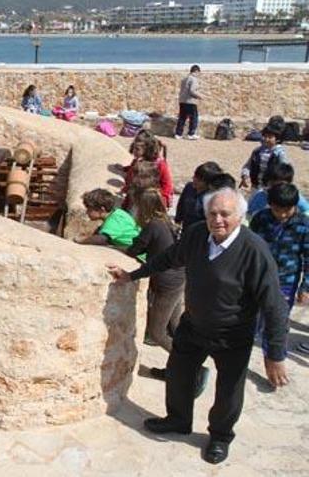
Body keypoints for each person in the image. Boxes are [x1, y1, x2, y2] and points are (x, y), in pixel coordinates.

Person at [107, 188, 289, 465]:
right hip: (193, 326)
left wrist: (275, 354)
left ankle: (220, 436)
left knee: (229, 391)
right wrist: (133, 275)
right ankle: (178, 420)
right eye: (212, 213)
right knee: (178, 375)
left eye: (225, 214)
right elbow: (169, 258)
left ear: (239, 216)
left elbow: (274, 305)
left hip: (232, 335)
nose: (217, 220)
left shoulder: (255, 251)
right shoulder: (196, 235)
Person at [124, 189, 196, 383]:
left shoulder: (153, 225)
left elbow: (135, 249)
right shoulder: (165, 221)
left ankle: (190, 367)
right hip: (179, 278)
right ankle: (183, 367)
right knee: (175, 326)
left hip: (167, 283)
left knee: (157, 332)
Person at [249, 183, 309, 355]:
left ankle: (274, 356)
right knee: (251, 319)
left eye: (286, 210)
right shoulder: (261, 219)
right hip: (257, 278)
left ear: (295, 206)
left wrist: (305, 287)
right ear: (270, 205)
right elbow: (248, 247)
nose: (282, 215)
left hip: (285, 283)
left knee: (277, 321)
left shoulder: (304, 225)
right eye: (277, 210)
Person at [75, 188, 140, 250]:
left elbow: (101, 239)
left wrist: (82, 241)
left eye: (89, 209)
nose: (87, 212)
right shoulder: (117, 212)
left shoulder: (114, 220)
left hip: (136, 253)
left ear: (102, 209)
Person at [175, 162, 222, 230]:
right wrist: (177, 221)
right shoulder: (189, 187)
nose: (194, 179)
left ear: (208, 183)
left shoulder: (212, 197)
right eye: (195, 176)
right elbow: (181, 206)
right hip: (186, 230)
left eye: (199, 180)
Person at [240, 125, 287, 190]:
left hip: (271, 188)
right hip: (256, 186)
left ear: (277, 139)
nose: (266, 139)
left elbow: (284, 172)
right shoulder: (257, 151)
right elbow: (248, 166)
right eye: (265, 136)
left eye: (270, 137)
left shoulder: (279, 153)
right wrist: (245, 176)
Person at [174, 64, 201, 140]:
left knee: (182, 117)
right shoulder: (193, 79)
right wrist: (199, 96)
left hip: (182, 101)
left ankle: (178, 134)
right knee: (194, 118)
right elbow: (192, 90)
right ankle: (191, 134)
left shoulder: (184, 79)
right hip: (190, 101)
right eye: (198, 73)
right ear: (196, 71)